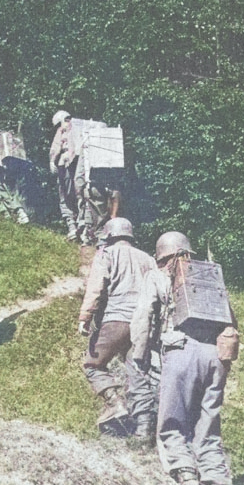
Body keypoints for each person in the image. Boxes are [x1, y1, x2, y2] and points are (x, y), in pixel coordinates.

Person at [130, 231, 238, 485]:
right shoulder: (208, 276)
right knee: (208, 429)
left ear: (161, 255)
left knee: (172, 426)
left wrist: (139, 354)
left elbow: (143, 317)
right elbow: (231, 321)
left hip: (180, 353)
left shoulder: (157, 276)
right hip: (216, 357)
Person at [78, 217, 158, 436]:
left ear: (109, 235)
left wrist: (85, 316)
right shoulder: (149, 259)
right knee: (138, 373)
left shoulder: (107, 254)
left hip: (116, 319)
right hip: (144, 324)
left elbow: (96, 287)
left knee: (92, 365)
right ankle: (143, 429)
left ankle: (115, 404)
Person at [49, 111, 79, 240]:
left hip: (65, 164)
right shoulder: (79, 127)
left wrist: (52, 160)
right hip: (80, 165)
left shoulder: (63, 129)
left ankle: (72, 227)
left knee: (65, 197)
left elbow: (56, 147)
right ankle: (84, 228)